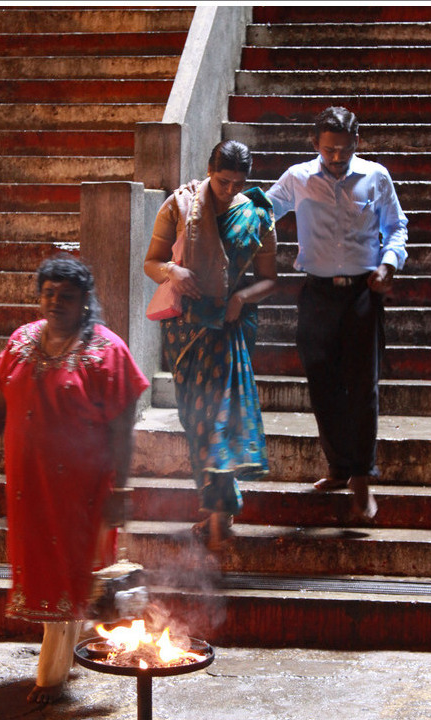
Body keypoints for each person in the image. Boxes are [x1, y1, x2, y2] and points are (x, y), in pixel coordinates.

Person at [0, 253, 150, 703]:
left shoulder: (107, 350)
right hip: (29, 490)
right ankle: (78, 644)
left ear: (85, 301)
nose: (55, 302)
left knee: (66, 573)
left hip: (82, 490)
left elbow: (123, 429)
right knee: (50, 573)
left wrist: (120, 489)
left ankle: (52, 677)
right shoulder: (21, 341)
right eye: (48, 294)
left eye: (66, 296)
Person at [266, 106, 408, 522]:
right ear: (315, 145)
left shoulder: (375, 177)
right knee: (322, 383)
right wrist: (208, 196)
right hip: (317, 293)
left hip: (363, 294)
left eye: (344, 150)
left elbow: (397, 226)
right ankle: (338, 466)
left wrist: (389, 263)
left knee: (362, 386)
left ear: (356, 144)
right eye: (329, 150)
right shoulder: (297, 178)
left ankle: (362, 475)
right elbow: (260, 211)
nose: (337, 158)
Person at [144, 140, 277, 546]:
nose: (230, 191)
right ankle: (216, 505)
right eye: (223, 181)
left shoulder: (256, 214)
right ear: (209, 170)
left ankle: (219, 511)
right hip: (186, 328)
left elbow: (271, 280)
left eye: (239, 183)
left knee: (219, 417)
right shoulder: (181, 206)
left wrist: (241, 298)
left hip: (230, 326)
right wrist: (173, 273)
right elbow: (150, 261)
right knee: (195, 419)